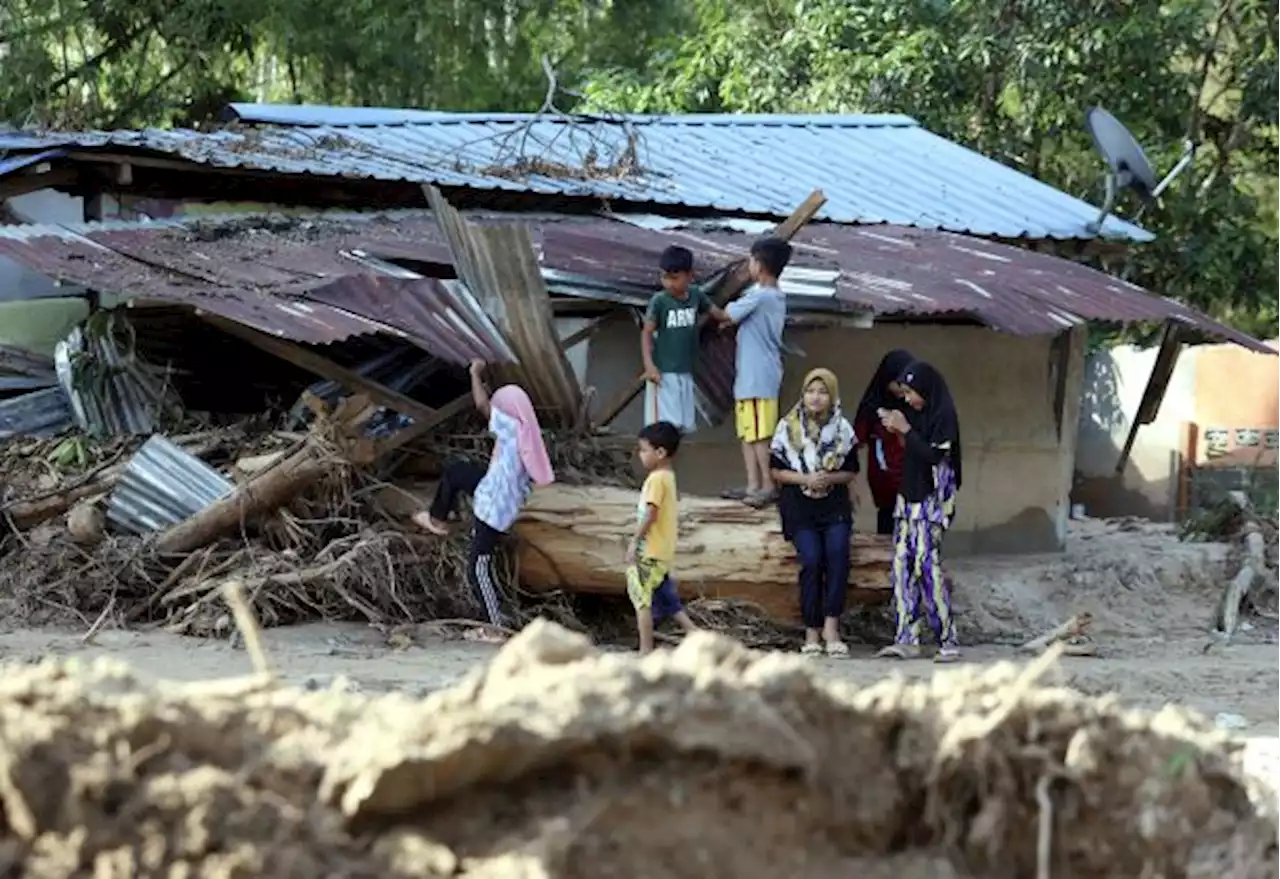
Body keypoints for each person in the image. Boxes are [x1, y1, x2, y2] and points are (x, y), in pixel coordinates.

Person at [412, 359, 555, 636]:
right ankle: (438, 519)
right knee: (456, 471)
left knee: (478, 568)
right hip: (493, 489)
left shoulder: (512, 429)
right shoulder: (525, 432)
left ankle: (496, 628)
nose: (496, 411)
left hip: (494, 508)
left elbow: (481, 405)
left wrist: (475, 374)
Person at [874, 360, 962, 663]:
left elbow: (934, 455)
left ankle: (946, 638)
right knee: (901, 568)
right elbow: (911, 451)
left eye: (912, 392)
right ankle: (906, 637)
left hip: (932, 504)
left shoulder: (943, 416)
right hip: (907, 501)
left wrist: (906, 430)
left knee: (927, 568)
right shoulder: (914, 414)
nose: (908, 399)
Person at [769, 368, 859, 658]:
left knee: (837, 555)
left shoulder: (843, 428)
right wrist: (806, 480)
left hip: (834, 506)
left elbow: (851, 470)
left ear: (831, 396)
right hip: (799, 505)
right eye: (811, 391)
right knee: (811, 560)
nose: (815, 397)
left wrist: (828, 478)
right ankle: (811, 631)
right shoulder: (787, 427)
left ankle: (831, 628)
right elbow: (776, 470)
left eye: (822, 392)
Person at [720, 236, 789, 508]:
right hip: (749, 376)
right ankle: (753, 485)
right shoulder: (767, 296)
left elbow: (726, 314)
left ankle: (768, 485)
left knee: (760, 435)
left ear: (759, 265)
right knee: (748, 433)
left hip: (759, 376)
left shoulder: (761, 296)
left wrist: (704, 303)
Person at [626, 420, 699, 654]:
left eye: (644, 450)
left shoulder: (657, 479)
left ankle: (645, 649)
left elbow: (651, 512)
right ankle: (697, 636)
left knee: (641, 599)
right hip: (663, 551)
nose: (640, 455)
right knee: (668, 600)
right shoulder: (669, 476)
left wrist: (635, 541)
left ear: (660, 452)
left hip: (649, 551)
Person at [641, 245, 728, 433]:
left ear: (690, 276)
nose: (669, 283)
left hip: (685, 370)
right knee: (662, 428)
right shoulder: (659, 301)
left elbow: (718, 314)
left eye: (674, 278)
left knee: (682, 426)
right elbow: (646, 332)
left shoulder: (696, 295)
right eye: (664, 277)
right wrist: (649, 366)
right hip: (663, 373)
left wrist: (737, 314)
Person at [853, 349, 916, 535]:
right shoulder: (872, 407)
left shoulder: (915, 404)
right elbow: (856, 441)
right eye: (898, 383)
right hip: (884, 481)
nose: (902, 389)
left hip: (912, 479)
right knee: (887, 527)